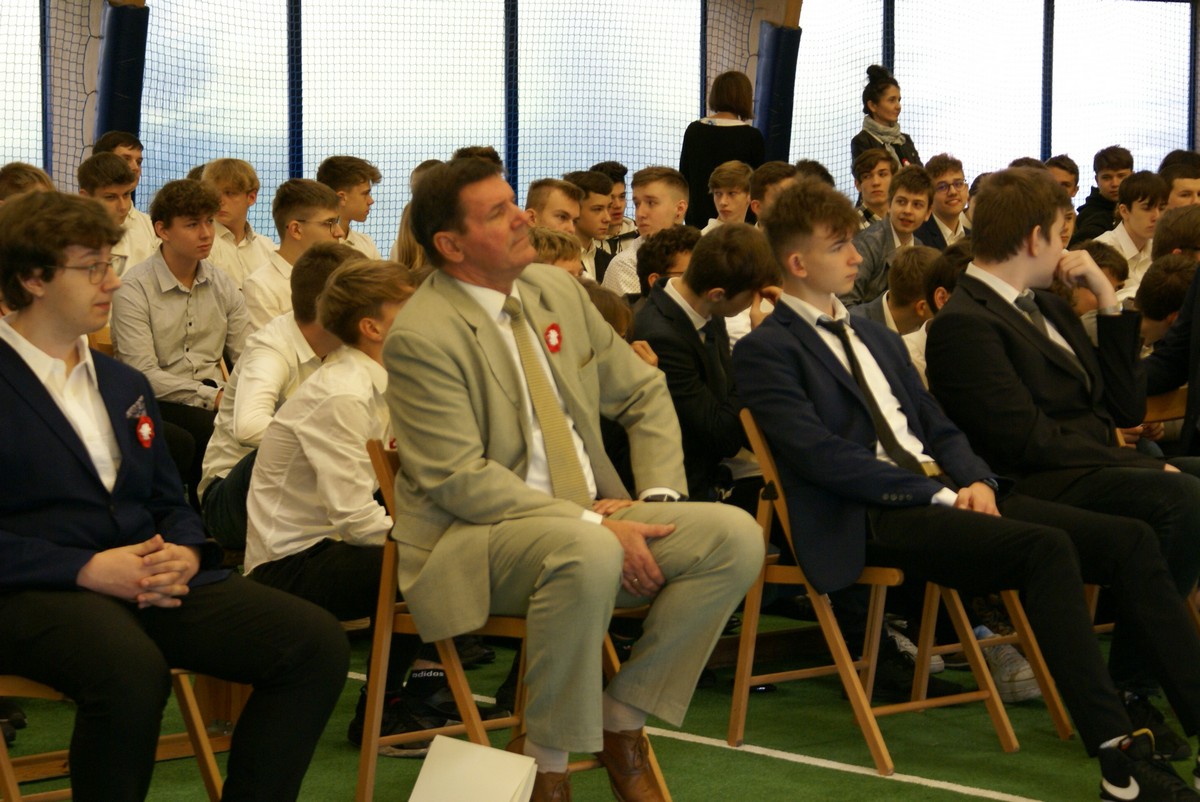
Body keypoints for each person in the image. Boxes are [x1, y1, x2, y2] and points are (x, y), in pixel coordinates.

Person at [733, 176, 1200, 801]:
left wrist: (976, 478)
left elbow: (937, 425)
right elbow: (823, 458)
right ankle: (1119, 758)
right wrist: (937, 492)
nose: (854, 255)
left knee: (1132, 540)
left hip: (952, 493)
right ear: (797, 263)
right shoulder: (765, 351)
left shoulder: (875, 336)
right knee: (1047, 547)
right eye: (839, 245)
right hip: (874, 513)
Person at [388, 156, 762, 801]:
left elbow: (642, 391)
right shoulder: (421, 334)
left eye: (514, 201)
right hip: (473, 537)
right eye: (498, 212)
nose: (522, 217)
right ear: (450, 245)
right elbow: (459, 481)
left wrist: (657, 498)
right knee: (586, 549)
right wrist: (590, 520)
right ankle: (547, 767)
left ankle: (623, 719)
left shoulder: (555, 290)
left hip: (592, 515)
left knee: (734, 537)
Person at [0, 189, 348, 802]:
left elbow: (168, 500)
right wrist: (84, 568)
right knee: (130, 671)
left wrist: (186, 551)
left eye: (110, 263)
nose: (112, 281)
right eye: (92, 268)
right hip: (32, 589)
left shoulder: (121, 383)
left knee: (313, 644)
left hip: (147, 576)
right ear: (32, 278)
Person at [925, 168, 1200, 751]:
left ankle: (1137, 680)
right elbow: (1026, 442)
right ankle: (1134, 686)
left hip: (1087, 469)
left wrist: (1109, 301)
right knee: (1180, 495)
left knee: (1191, 481)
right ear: (1034, 239)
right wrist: (1140, 465)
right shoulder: (964, 323)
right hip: (1030, 484)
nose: (1067, 246)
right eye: (1060, 232)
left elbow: (1123, 405)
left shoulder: (1048, 308)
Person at [198, 242, 357, 549]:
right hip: (230, 499)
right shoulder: (271, 347)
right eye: (363, 299)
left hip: (309, 495)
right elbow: (248, 427)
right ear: (332, 307)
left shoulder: (351, 345)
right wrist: (333, 443)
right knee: (293, 451)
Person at [111, 179, 250, 508]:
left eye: (209, 222)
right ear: (162, 230)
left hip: (214, 396)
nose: (206, 234)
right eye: (192, 225)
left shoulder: (222, 283)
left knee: (255, 425)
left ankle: (230, 523)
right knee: (206, 430)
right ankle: (204, 521)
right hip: (157, 397)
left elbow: (247, 354)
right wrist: (213, 397)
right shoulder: (134, 288)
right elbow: (142, 373)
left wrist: (249, 393)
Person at [632, 223, 779, 502]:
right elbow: (721, 436)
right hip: (685, 487)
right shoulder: (661, 337)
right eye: (751, 296)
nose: (754, 303)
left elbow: (725, 398)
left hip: (716, 471)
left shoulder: (705, 308)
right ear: (717, 294)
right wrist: (757, 350)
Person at [243, 178, 345, 329]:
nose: (339, 232)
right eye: (329, 223)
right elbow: (272, 343)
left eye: (337, 222)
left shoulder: (337, 275)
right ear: (296, 230)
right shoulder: (261, 287)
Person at [680, 70, 765, 229]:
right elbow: (758, 187)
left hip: (697, 221)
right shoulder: (752, 136)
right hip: (740, 225)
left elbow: (684, 178)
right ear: (745, 97)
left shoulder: (694, 130)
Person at [844, 165, 933, 307]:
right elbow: (846, 305)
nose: (908, 211)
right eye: (901, 202)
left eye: (917, 205)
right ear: (890, 204)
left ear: (928, 213)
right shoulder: (867, 244)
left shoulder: (919, 247)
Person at [600, 167, 690, 296]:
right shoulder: (625, 265)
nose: (640, 213)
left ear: (680, 209)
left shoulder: (702, 253)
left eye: (651, 203)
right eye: (637, 204)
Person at [200, 158, 276, 288]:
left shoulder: (268, 248)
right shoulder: (202, 247)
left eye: (229, 193)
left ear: (251, 197)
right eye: (214, 193)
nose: (220, 201)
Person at [1094, 170, 1168, 298]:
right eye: (1147, 208)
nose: (1156, 216)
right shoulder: (1100, 251)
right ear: (1124, 211)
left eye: (1161, 208)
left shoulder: (1161, 251)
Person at [76, 153, 148, 277]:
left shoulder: (149, 226)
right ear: (85, 198)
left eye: (126, 194)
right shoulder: (68, 243)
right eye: (110, 197)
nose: (123, 207)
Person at [850, 65, 920, 168]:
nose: (898, 106)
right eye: (891, 100)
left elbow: (921, 175)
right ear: (872, 106)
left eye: (899, 100)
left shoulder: (906, 140)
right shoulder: (862, 142)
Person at [317, 155, 383, 259]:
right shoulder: (316, 248)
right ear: (341, 198)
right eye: (365, 193)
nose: (371, 201)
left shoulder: (366, 244)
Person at [1072, 145, 1133, 245]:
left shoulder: (1139, 209)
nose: (1115, 183)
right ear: (1097, 180)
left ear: (1132, 176)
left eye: (1121, 176)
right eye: (1106, 177)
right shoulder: (1091, 218)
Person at [562, 170, 613, 281]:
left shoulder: (610, 262)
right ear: (574, 209)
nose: (607, 218)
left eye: (609, 207)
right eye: (597, 209)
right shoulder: (555, 261)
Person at [914, 154, 971, 250]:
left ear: (966, 188)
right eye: (942, 187)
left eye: (958, 184)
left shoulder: (975, 240)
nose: (953, 192)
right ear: (929, 195)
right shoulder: (917, 239)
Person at [590, 160, 640, 257]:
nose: (618, 205)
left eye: (622, 196)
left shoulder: (640, 238)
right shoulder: (583, 242)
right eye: (611, 198)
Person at [700, 160, 753, 233]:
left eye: (731, 193)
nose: (723, 202)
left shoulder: (757, 237)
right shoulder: (702, 238)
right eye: (718, 193)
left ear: (749, 195)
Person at [852, 149, 897, 230]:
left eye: (882, 174)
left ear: (894, 180)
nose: (876, 182)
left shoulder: (904, 222)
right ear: (858, 185)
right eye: (867, 176)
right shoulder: (848, 226)